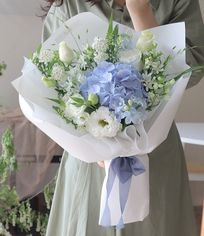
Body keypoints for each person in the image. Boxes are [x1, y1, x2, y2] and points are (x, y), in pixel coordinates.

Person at [42, 1, 204, 235]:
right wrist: (92, 143)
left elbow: (194, 69)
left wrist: (141, 11)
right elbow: (51, 82)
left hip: (155, 153)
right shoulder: (70, 4)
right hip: (89, 157)